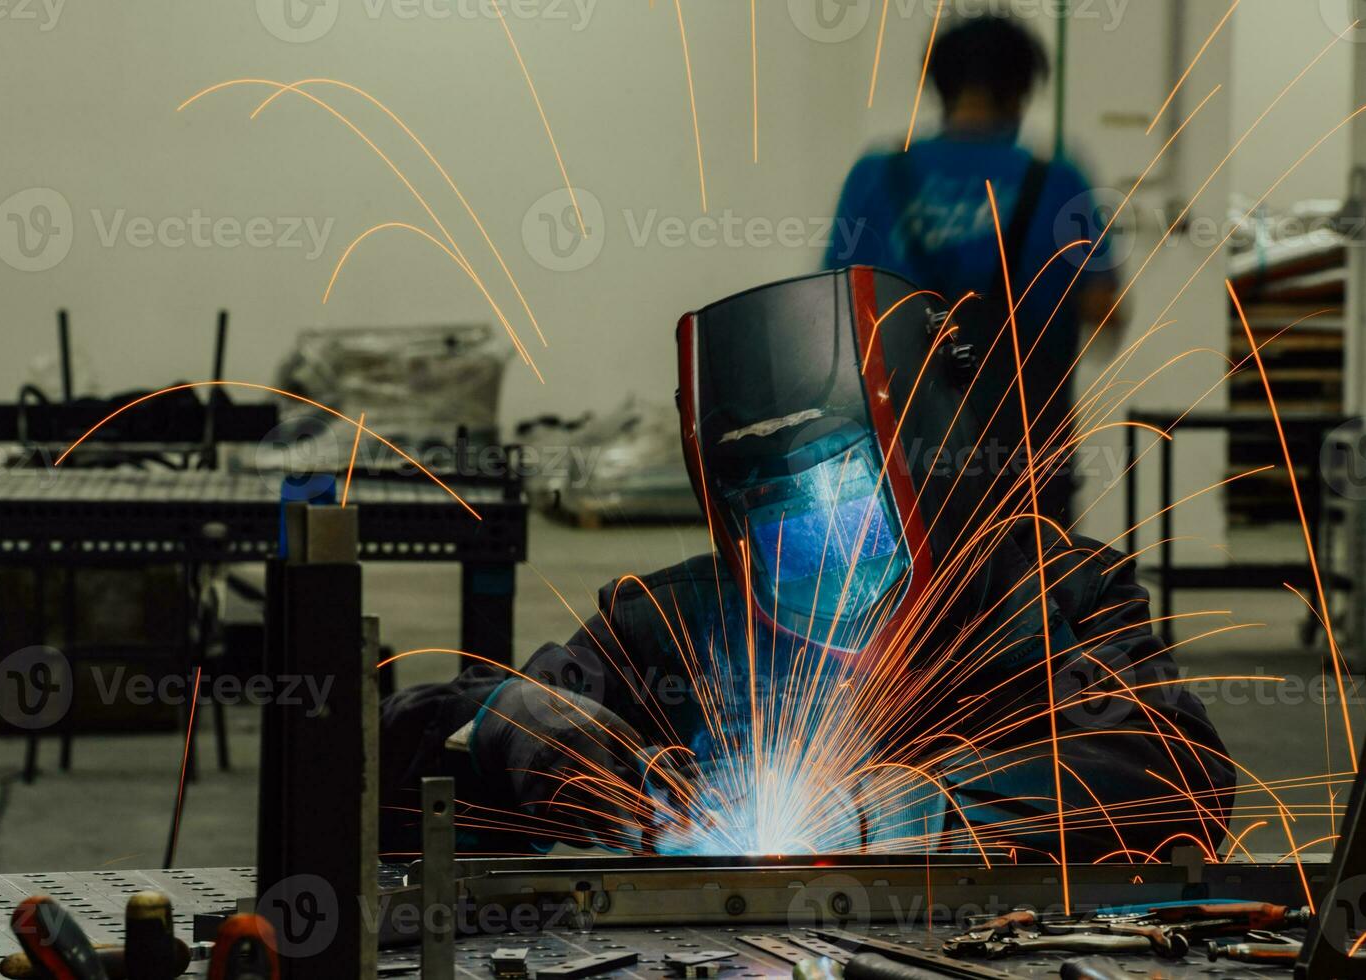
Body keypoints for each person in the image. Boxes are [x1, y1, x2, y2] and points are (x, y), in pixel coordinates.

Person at [379, 267, 1234, 863]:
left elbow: (1171, 769)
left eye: (847, 514)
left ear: (927, 475)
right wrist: (522, 729)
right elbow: (400, 756)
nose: (816, 555)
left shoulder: (1054, 593)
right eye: (778, 524)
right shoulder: (670, 622)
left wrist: (900, 813)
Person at [825, 13, 1124, 523]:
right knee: (1033, 583)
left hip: (904, 447)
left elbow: (835, 306)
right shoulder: (1057, 180)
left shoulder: (877, 176)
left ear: (939, 86)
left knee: (918, 590)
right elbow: (1105, 310)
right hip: (1025, 448)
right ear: (1022, 89)